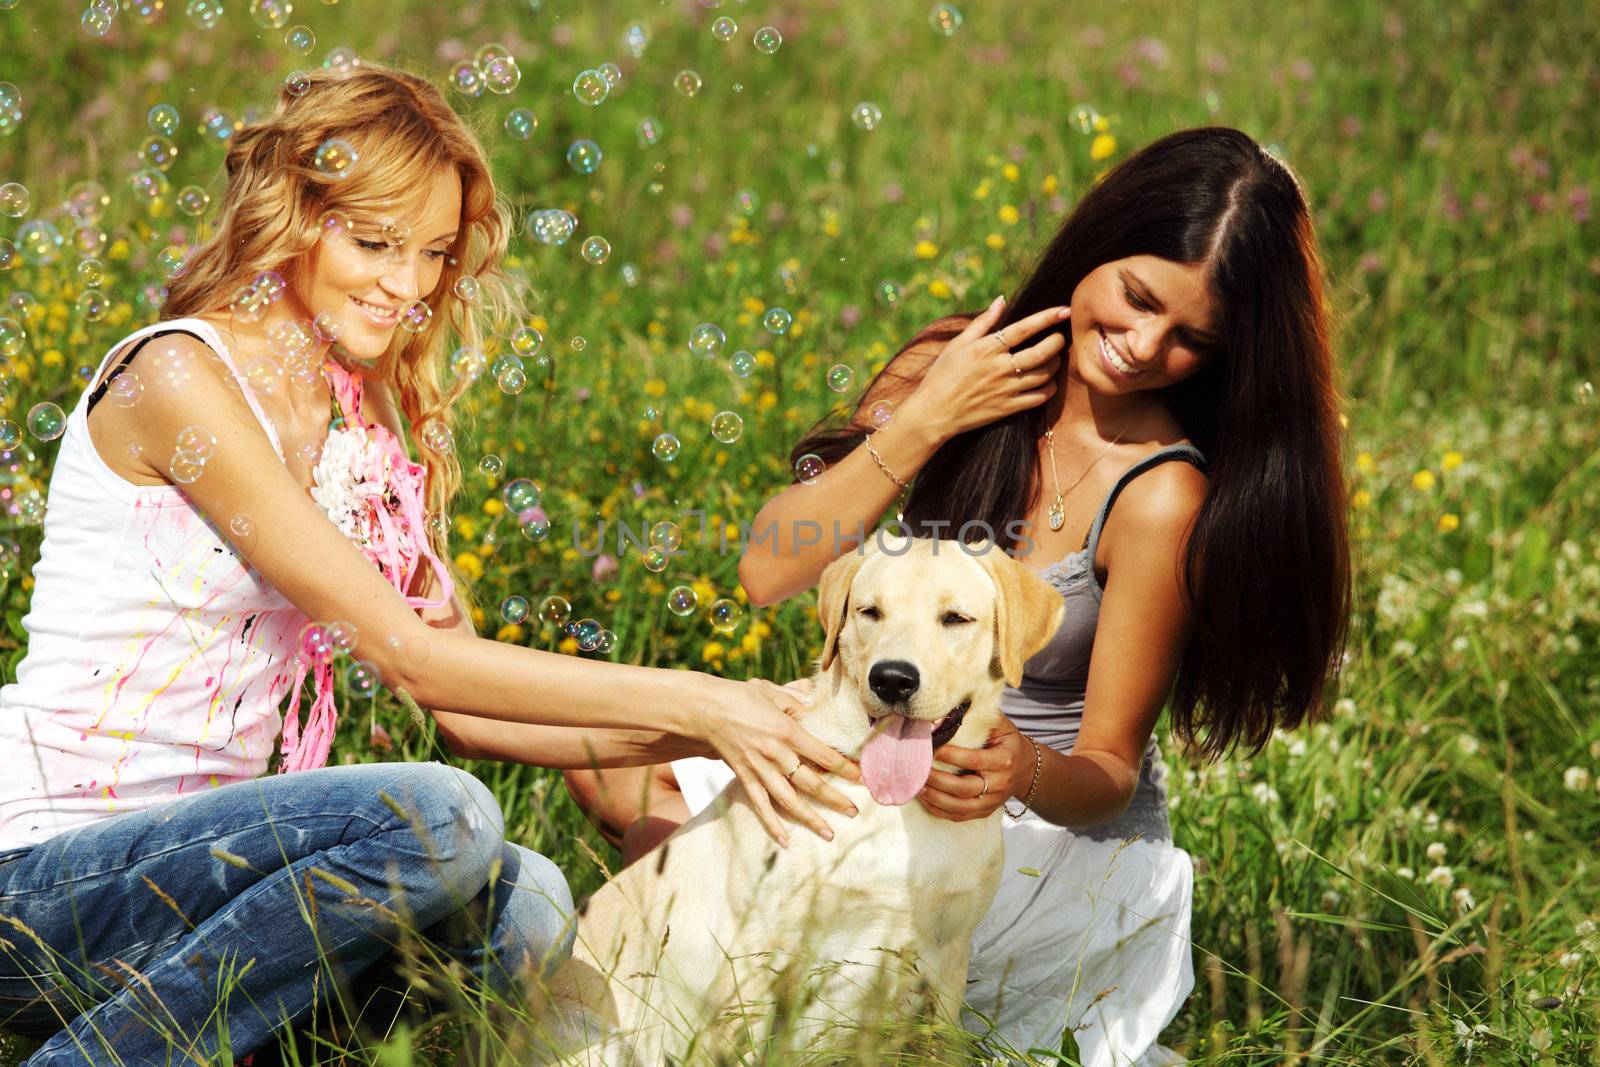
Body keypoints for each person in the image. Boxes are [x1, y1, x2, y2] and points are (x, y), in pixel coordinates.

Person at [0, 63, 860, 1066]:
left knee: (527, 902)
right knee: (440, 816)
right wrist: (704, 696)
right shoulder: (180, 373)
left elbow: (468, 704)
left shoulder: (356, 425)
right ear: (295, 217)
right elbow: (414, 660)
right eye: (373, 242)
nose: (408, 287)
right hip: (44, 876)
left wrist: (739, 728)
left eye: (435, 254)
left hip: (207, 881)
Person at [567, 126, 1352, 1066]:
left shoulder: (1160, 494)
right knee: (613, 760)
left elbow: (1106, 771)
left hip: (1032, 823)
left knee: (851, 949)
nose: (1143, 346)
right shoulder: (955, 364)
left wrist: (1017, 768)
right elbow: (768, 569)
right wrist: (930, 414)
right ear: (1094, 246)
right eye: (1138, 297)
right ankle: (708, 963)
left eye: (1192, 340)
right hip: (884, 748)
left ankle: (766, 970)